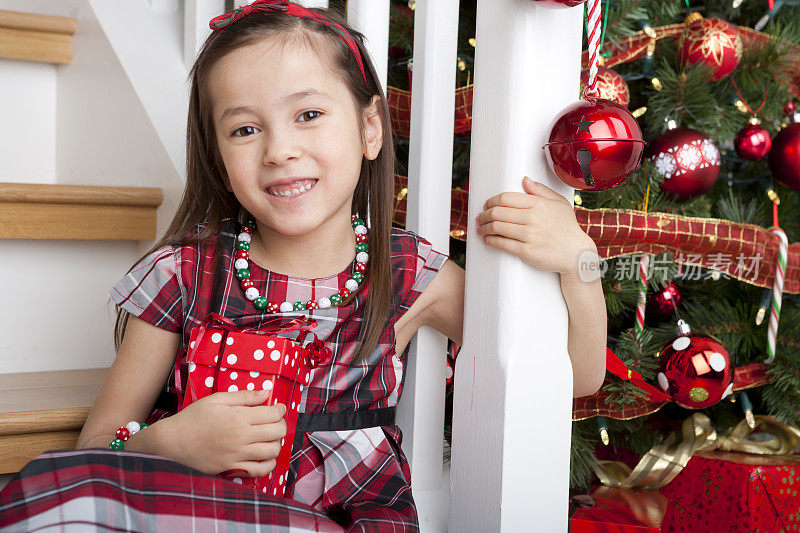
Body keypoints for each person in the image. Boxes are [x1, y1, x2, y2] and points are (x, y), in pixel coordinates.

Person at [0, 1, 606, 531]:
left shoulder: (406, 274)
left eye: (308, 115)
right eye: (244, 128)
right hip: (199, 509)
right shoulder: (185, 274)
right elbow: (91, 457)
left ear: (370, 128)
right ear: (217, 154)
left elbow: (575, 377)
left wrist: (579, 261)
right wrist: (169, 444)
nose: (279, 149)